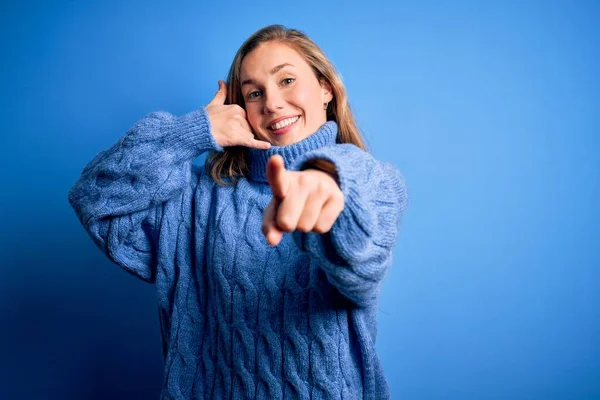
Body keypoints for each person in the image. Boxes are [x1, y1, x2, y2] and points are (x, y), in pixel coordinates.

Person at [69, 24, 408, 400]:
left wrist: (327, 185)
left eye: (287, 80)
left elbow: (364, 264)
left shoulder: (366, 180)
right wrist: (193, 131)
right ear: (240, 108)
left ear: (325, 88)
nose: (273, 103)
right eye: (254, 93)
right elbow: (94, 198)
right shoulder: (195, 201)